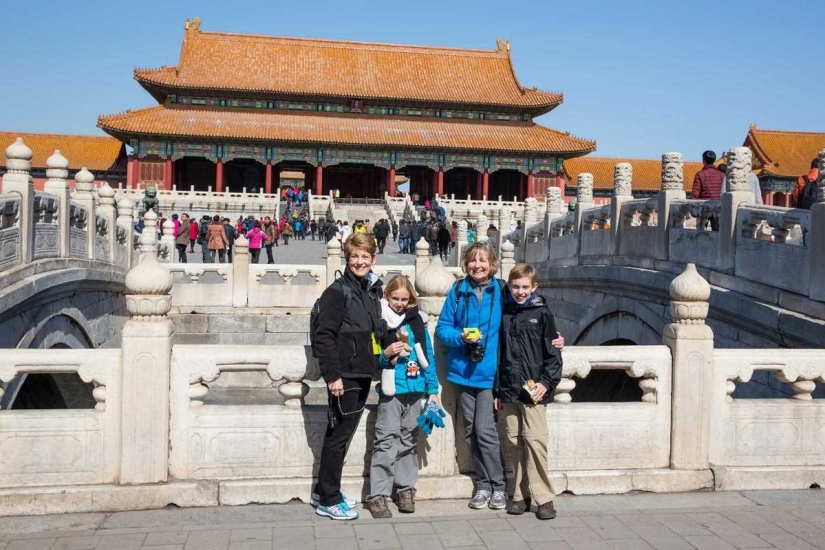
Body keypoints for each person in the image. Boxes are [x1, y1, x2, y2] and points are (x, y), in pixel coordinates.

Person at [312, 233, 385, 521]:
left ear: (373, 259)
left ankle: (326, 490)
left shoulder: (367, 290)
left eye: (365, 256)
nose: (360, 261)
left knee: (344, 433)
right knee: (338, 435)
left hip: (362, 371)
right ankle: (329, 500)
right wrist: (333, 376)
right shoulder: (338, 291)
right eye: (355, 256)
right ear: (347, 258)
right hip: (346, 374)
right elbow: (324, 336)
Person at [436, 242, 507, 510]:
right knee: (469, 433)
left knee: (485, 431)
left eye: (483, 260)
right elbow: (443, 329)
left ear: (492, 264)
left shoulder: (502, 291)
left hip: (490, 375)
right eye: (473, 260)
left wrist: (551, 339)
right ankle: (483, 484)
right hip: (463, 373)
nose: (477, 265)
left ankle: (498, 485)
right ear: (466, 263)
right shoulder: (458, 291)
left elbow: (524, 314)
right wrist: (461, 338)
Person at [366, 275, 439, 518]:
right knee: (386, 441)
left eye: (404, 299)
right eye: (395, 298)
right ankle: (378, 495)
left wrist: (433, 391)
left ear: (411, 300)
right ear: (386, 296)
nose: (399, 303)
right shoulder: (380, 321)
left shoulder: (417, 321)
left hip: (416, 389)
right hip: (392, 391)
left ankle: (405, 488)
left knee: (408, 441)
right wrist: (386, 353)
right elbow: (373, 360)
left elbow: (428, 357)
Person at [496, 263, 562, 521]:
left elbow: (553, 353)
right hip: (509, 388)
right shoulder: (504, 312)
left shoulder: (542, 313)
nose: (520, 292)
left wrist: (546, 382)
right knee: (514, 441)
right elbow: (499, 353)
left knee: (535, 441)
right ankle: (519, 495)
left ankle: (544, 498)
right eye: (515, 287)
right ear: (509, 287)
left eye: (525, 287)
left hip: (534, 389)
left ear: (534, 287)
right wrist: (497, 390)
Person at [690, 150, 725, 231]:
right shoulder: (722, 175)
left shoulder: (700, 174)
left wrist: (692, 206)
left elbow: (695, 192)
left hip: (704, 207)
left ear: (704, 161)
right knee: (717, 231)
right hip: (718, 207)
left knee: (701, 231)